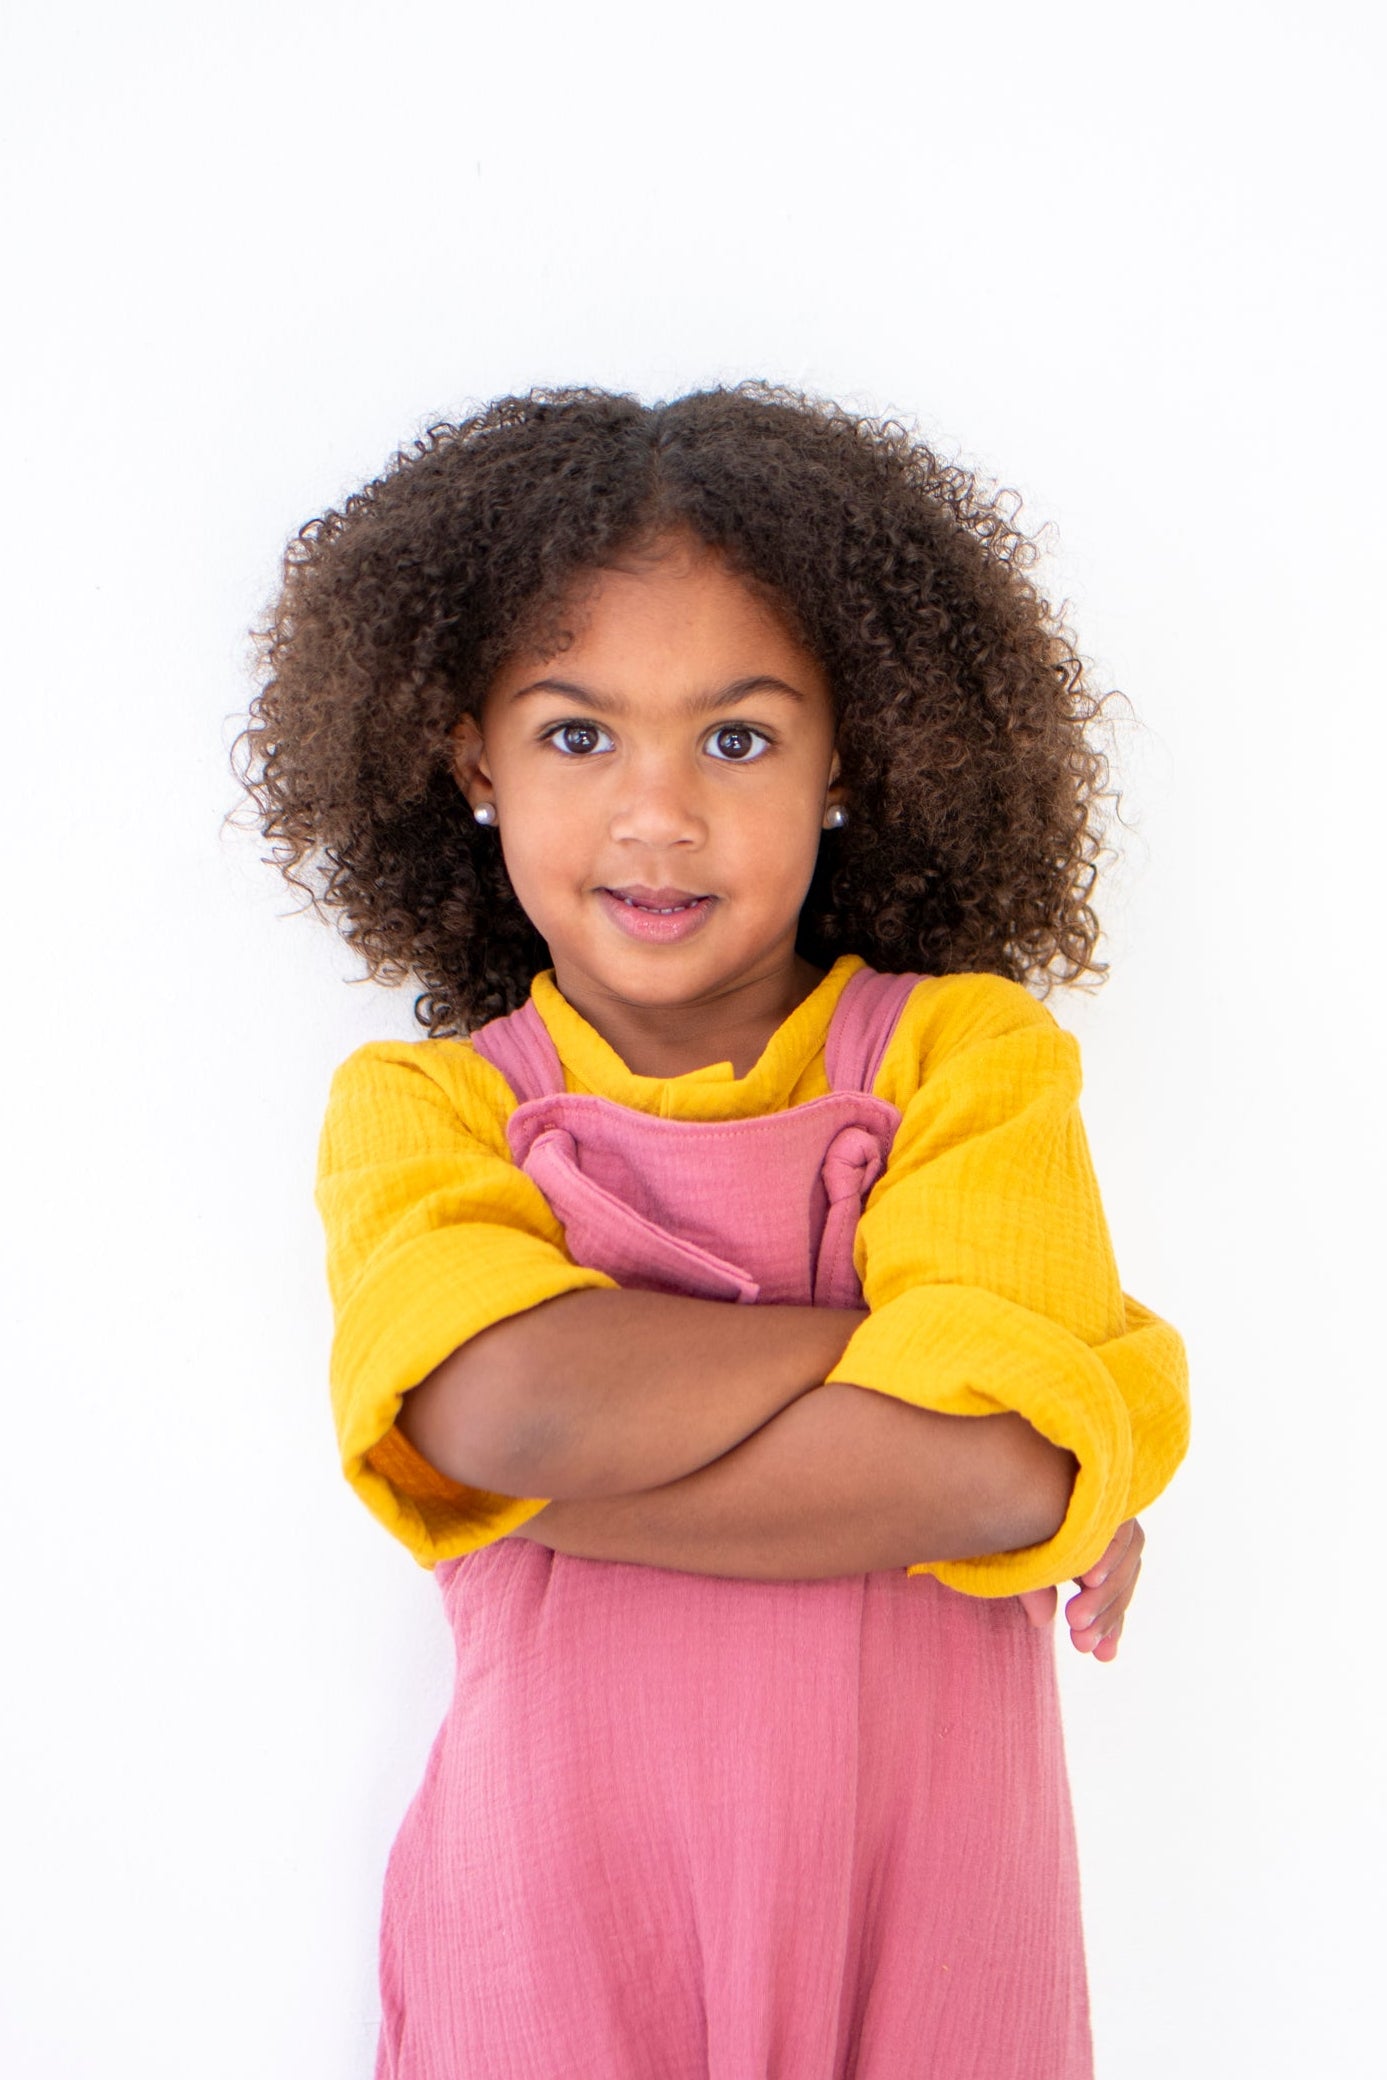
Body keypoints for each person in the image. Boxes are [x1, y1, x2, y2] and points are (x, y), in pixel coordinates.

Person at [236, 383, 1189, 2079]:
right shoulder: (428, 1110)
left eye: (738, 737)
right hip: (554, 1947)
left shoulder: (967, 1060)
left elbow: (990, 1475)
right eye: (577, 733)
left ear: (848, 760)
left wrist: (547, 1488)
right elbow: (499, 1412)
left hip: (933, 1936)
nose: (657, 816)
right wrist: (964, 1365)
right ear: (471, 757)